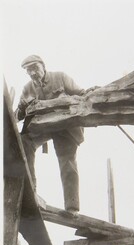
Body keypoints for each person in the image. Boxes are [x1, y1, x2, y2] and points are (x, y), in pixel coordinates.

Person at [15, 55, 86, 216]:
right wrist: (21, 107)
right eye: (28, 70)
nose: (32, 73)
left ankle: (72, 208)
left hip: (65, 127)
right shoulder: (27, 89)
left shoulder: (60, 77)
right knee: (24, 141)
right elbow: (18, 115)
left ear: (43, 66)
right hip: (44, 127)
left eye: (35, 68)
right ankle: (30, 192)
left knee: (67, 161)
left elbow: (82, 95)